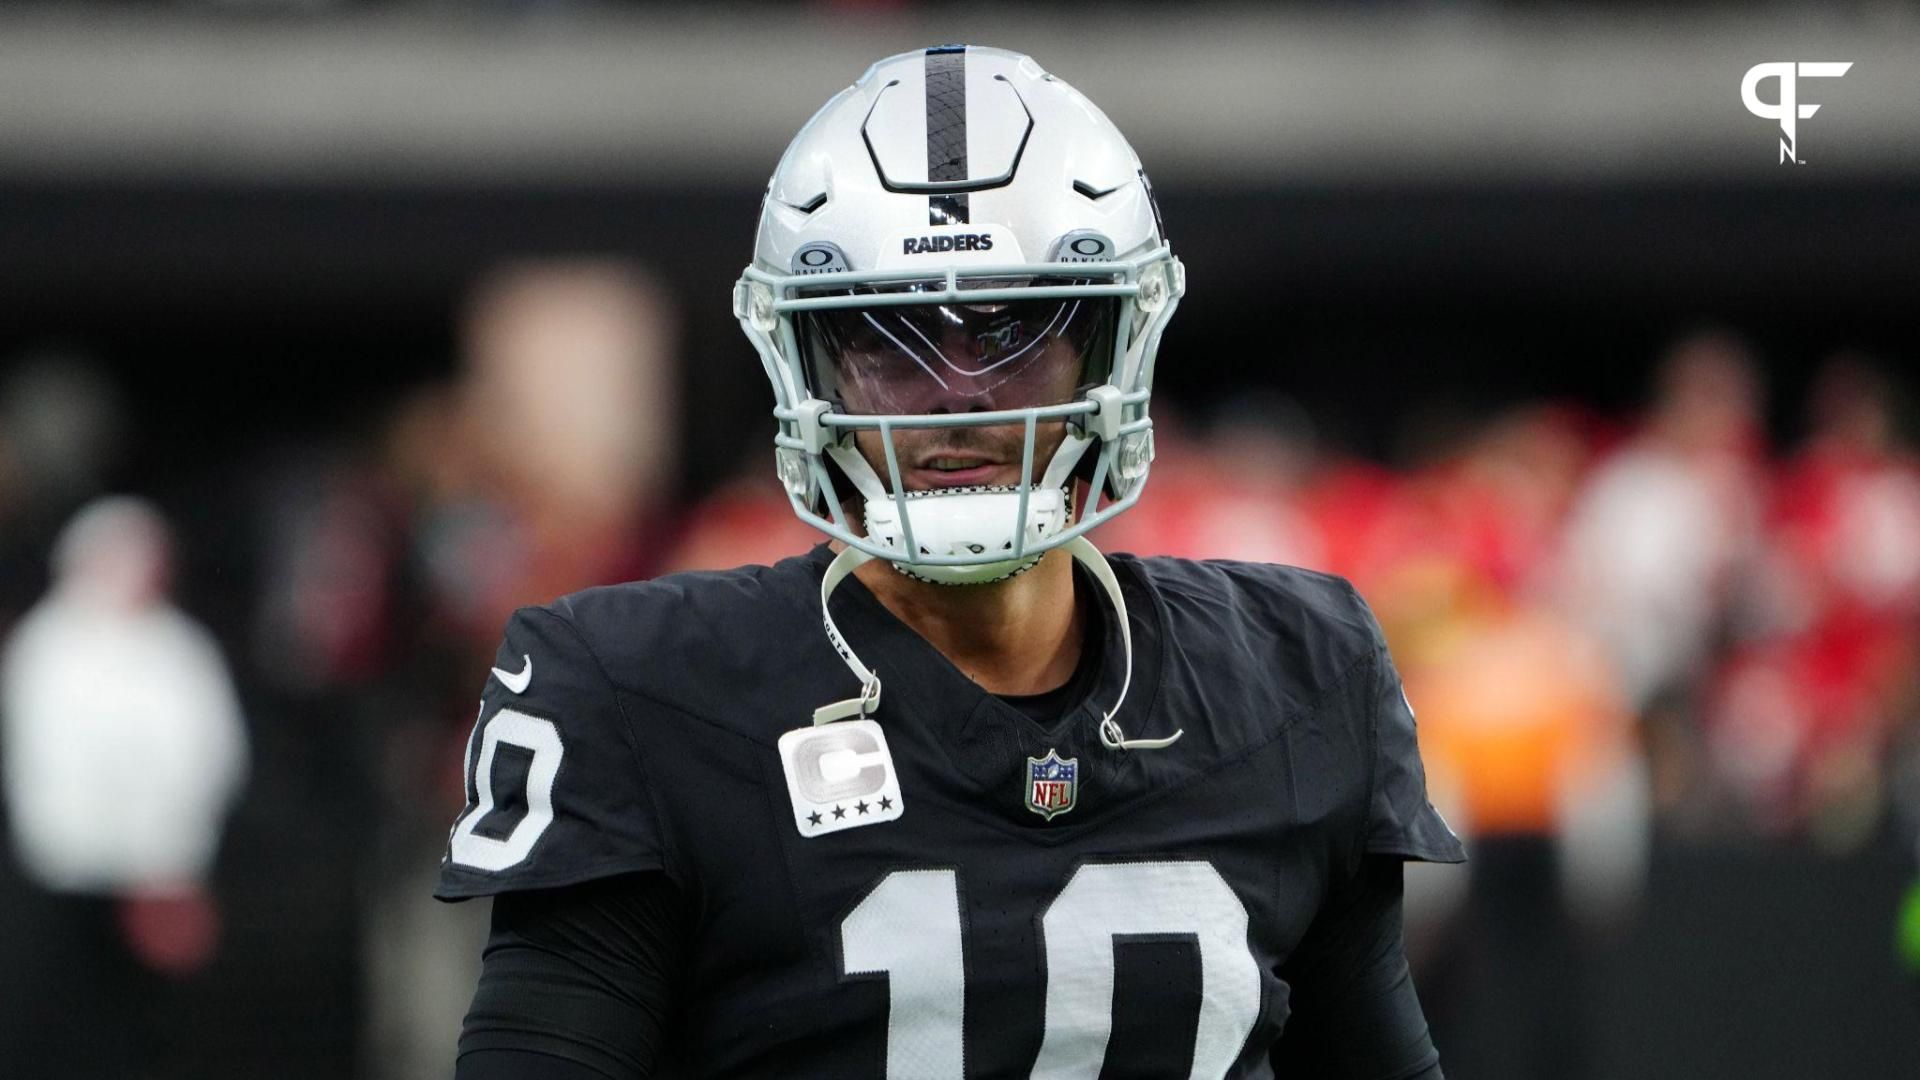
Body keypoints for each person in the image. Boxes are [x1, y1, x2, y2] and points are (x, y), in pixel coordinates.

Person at [439, 45, 1464, 1079]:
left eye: (1016, 331)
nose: (958, 394)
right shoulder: (639, 694)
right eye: (891, 341)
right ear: (810, 361)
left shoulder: (1297, 673)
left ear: (1114, 344)